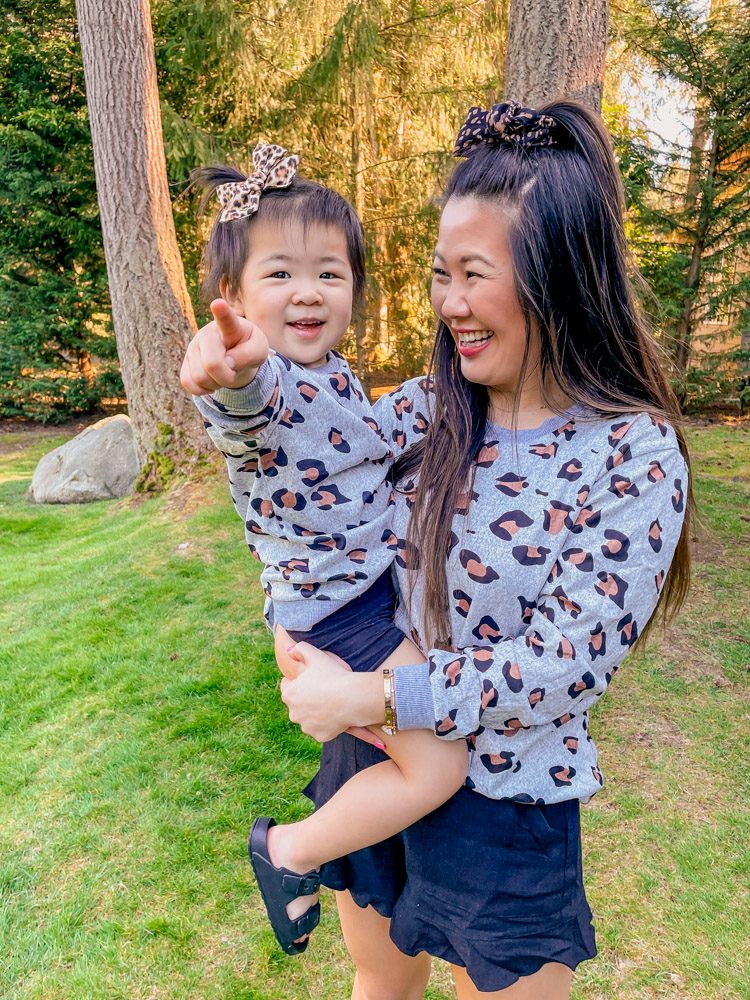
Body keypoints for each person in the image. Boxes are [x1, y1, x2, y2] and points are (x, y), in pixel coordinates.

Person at [275, 100, 692, 1000]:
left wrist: (379, 691)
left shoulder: (631, 454)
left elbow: (563, 663)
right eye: (439, 273)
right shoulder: (433, 406)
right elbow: (320, 493)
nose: (449, 303)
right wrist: (292, 615)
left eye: (473, 274)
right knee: (378, 986)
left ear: (561, 277)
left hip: (510, 807)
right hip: (378, 766)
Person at [180, 143, 468, 956]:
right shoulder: (264, 384)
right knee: (439, 764)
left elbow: (366, 438)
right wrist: (230, 366)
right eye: (279, 275)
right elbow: (243, 400)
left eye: (330, 273)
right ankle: (289, 852)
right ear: (231, 299)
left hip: (356, 604)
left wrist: (450, 385)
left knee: (396, 745)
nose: (307, 291)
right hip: (341, 618)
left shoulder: (332, 374)